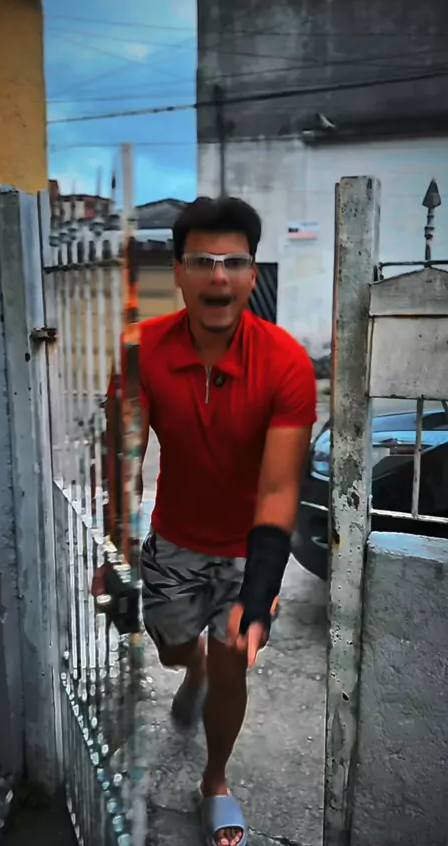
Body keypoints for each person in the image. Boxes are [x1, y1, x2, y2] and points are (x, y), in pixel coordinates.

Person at [100, 197, 316, 846]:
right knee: (171, 652)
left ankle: (215, 781)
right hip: (174, 543)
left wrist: (259, 592)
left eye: (234, 262)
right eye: (201, 261)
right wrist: (113, 557)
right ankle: (189, 665)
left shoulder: (286, 363)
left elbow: (279, 486)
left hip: (249, 550)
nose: (218, 276)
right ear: (178, 272)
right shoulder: (140, 350)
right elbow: (123, 464)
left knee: (232, 666)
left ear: (252, 274)